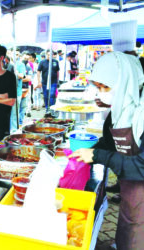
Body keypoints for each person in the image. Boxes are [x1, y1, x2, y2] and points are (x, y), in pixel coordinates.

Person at [69, 52, 144, 250]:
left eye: (106, 87)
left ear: (124, 79)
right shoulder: (122, 106)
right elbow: (111, 142)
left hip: (140, 181)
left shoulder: (141, 111)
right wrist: (87, 152)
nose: (101, 93)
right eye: (99, 87)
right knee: (127, 223)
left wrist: (97, 155)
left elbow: (141, 165)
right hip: (130, 186)